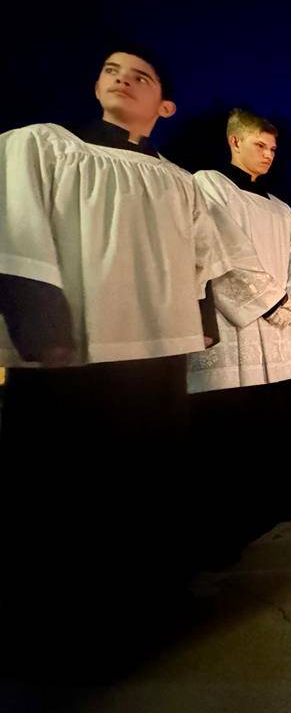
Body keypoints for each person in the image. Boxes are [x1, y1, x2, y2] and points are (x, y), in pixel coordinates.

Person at [0, 49, 261, 619]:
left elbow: (201, 263)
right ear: (96, 87)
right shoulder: (43, 145)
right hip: (73, 348)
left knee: (149, 478)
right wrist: (40, 323)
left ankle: (152, 598)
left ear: (164, 105)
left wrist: (202, 325)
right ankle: (67, 618)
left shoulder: (178, 181)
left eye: (140, 76)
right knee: (70, 487)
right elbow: (17, 229)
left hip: (158, 349)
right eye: (111, 71)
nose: (122, 79)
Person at [188, 108, 291, 552]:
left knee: (277, 418)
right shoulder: (209, 183)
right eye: (259, 146)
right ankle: (228, 523)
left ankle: (281, 499)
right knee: (230, 427)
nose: (267, 155)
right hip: (235, 325)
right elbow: (222, 247)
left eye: (272, 149)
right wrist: (270, 301)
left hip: (280, 329)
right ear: (234, 142)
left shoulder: (281, 207)